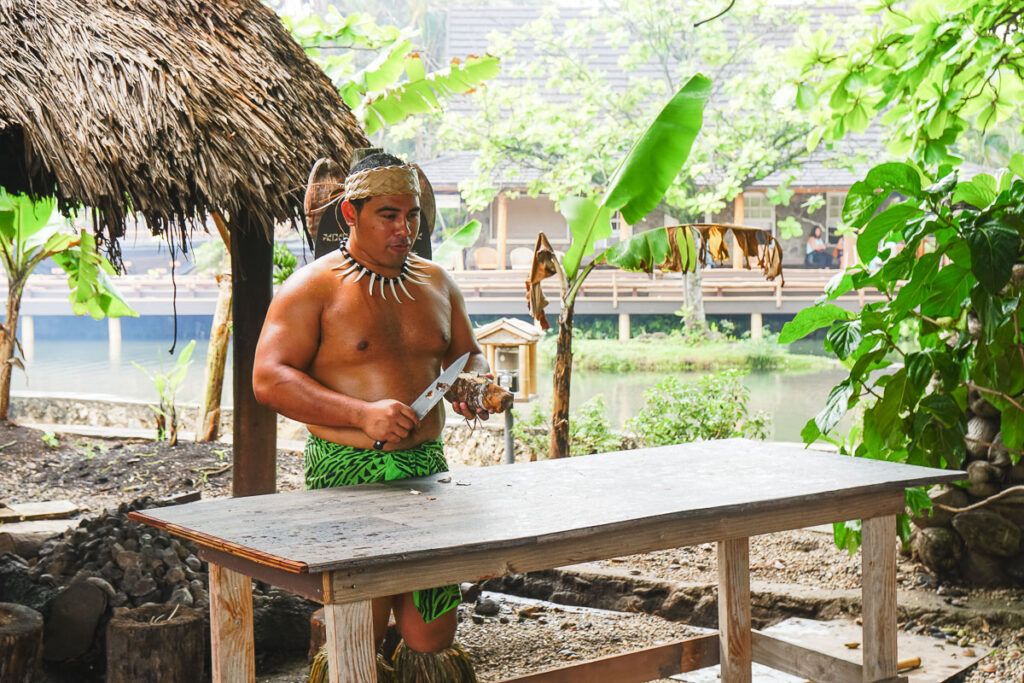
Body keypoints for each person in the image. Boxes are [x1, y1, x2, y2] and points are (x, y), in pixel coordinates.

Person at [253, 152, 488, 682]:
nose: (405, 228)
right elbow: (268, 378)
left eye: (412, 215)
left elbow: (465, 355)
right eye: (389, 215)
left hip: (427, 471)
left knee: (432, 634)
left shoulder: (436, 281)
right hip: (345, 470)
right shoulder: (313, 287)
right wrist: (361, 413)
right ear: (351, 216)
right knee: (361, 626)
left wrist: (475, 385)